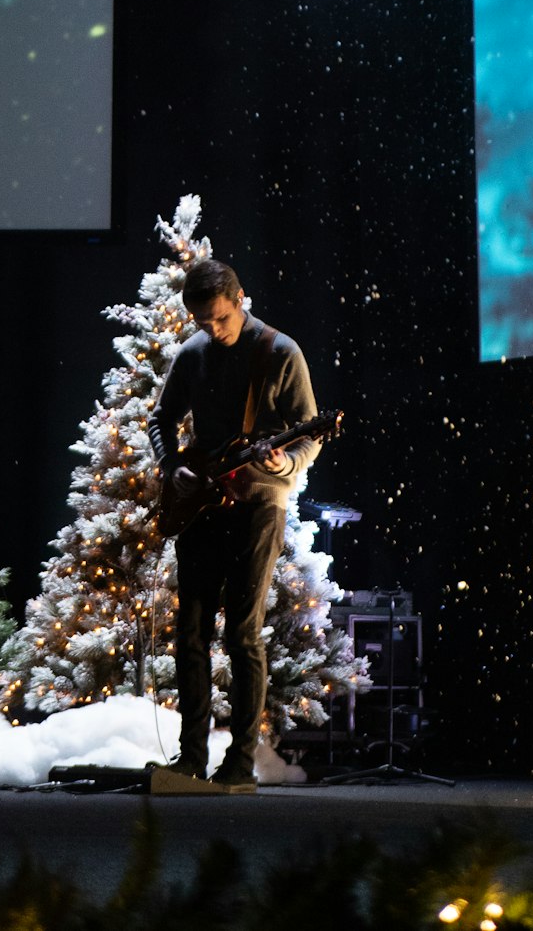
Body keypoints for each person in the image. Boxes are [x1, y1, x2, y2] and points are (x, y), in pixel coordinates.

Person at [148, 257, 321, 793]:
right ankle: (191, 758)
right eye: (202, 322)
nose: (213, 331)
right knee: (191, 635)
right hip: (201, 504)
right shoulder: (193, 352)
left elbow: (309, 433)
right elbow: (161, 418)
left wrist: (284, 465)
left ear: (241, 299)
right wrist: (171, 464)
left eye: (220, 319)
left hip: (258, 505)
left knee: (243, 634)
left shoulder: (281, 352)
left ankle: (241, 763)